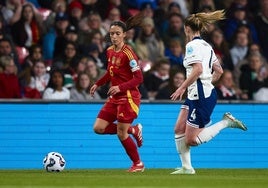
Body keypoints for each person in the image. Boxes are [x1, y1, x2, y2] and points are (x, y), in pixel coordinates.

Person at [169, 10, 248, 175]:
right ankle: (187, 167)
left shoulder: (192, 45)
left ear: (186, 28)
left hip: (200, 96)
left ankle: (226, 122)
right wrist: (205, 83)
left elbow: (197, 69)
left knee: (191, 140)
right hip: (198, 94)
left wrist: (183, 87)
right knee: (178, 128)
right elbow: (218, 71)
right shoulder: (207, 46)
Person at [89, 12, 145, 172]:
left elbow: (139, 78)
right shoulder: (109, 51)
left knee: (121, 133)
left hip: (128, 97)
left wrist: (120, 87)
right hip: (114, 97)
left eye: (117, 34)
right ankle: (133, 129)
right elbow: (110, 72)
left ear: (124, 35)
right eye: (111, 33)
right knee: (98, 128)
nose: (114, 36)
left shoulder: (129, 53)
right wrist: (98, 83)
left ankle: (138, 164)